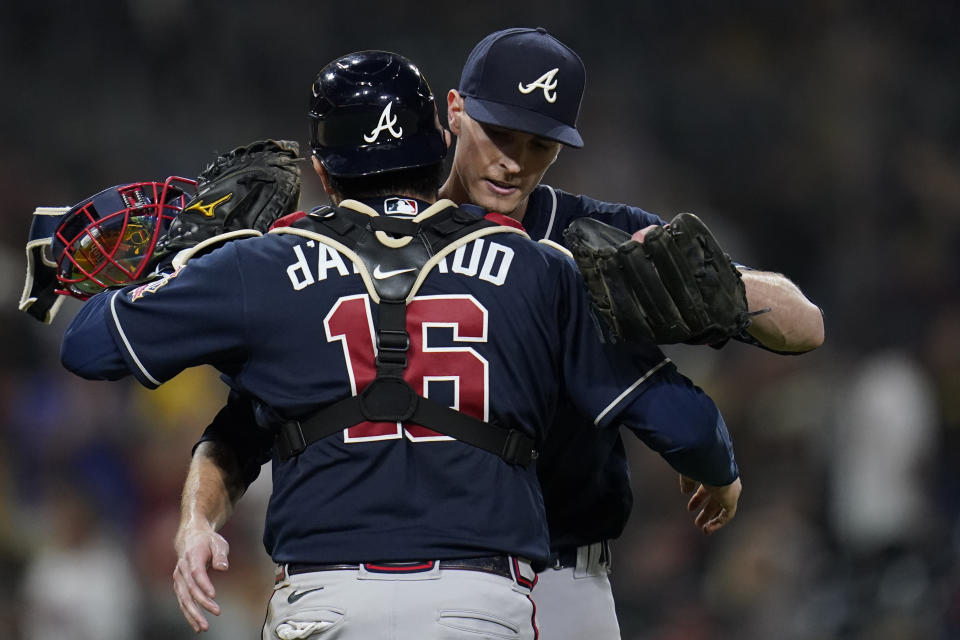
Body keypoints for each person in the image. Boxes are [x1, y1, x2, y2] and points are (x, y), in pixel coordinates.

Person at [59, 50, 742, 639]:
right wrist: (716, 468)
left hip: (324, 605)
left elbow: (88, 346)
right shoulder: (538, 264)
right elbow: (686, 425)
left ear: (323, 171)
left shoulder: (261, 264)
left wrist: (189, 252)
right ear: (441, 145)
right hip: (479, 606)